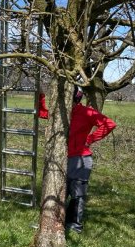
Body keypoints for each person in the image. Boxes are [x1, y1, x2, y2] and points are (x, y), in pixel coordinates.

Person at [39, 88, 116, 233]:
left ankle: (75, 225)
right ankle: (55, 220)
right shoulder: (60, 112)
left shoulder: (87, 112)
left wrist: (90, 139)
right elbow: (43, 113)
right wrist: (40, 97)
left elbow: (109, 124)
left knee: (77, 194)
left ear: (75, 99)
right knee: (59, 190)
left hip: (80, 160)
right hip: (61, 158)